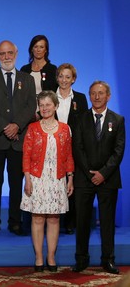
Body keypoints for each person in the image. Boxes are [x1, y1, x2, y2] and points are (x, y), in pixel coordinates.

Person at [0, 40, 36, 236]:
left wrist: (17, 126)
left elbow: (31, 106)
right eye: (2, 54)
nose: (6, 57)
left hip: (19, 141)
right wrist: (5, 126)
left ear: (16, 53)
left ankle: (15, 222)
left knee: (15, 184)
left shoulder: (26, 79)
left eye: (10, 53)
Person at [72, 81, 125, 275]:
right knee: (82, 221)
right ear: (89, 95)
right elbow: (77, 148)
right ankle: (81, 259)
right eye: (93, 93)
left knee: (107, 221)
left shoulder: (118, 120)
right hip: (84, 179)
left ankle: (108, 260)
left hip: (108, 179)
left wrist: (103, 173)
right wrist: (89, 173)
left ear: (108, 96)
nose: (97, 97)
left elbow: (118, 151)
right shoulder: (80, 118)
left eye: (101, 93)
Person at [20, 91, 74, 272]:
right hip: (36, 178)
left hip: (57, 179)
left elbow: (68, 156)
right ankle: (38, 257)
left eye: (48, 104)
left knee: (53, 219)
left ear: (56, 106)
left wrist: (70, 178)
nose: (44, 108)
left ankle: (51, 257)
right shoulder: (33, 128)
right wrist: (27, 179)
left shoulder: (65, 129)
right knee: (37, 219)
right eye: (41, 105)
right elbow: (26, 155)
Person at [55, 63, 88, 234]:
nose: (64, 80)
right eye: (61, 76)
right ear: (57, 78)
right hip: (52, 145)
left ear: (73, 79)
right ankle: (55, 220)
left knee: (71, 182)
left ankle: (69, 221)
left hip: (73, 146)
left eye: (68, 77)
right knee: (54, 181)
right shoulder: (50, 97)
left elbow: (84, 124)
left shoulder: (80, 99)